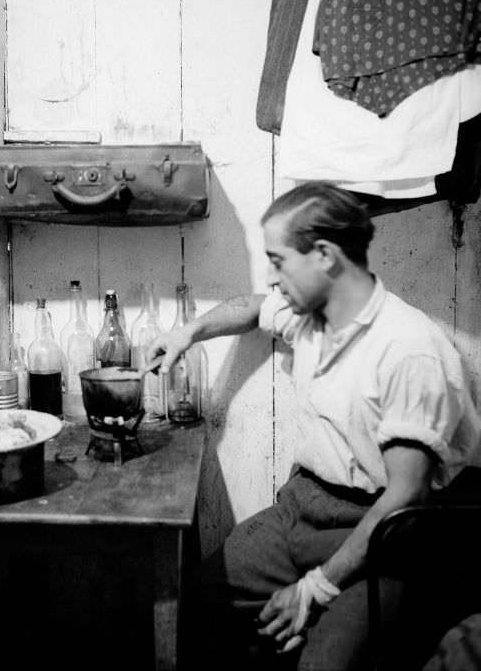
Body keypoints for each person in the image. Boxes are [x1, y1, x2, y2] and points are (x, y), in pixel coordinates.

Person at [146, 181, 481, 670]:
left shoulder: (409, 349)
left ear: (324, 255)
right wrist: (188, 332)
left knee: (324, 665)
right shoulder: (312, 315)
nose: (273, 276)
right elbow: (254, 305)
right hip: (301, 510)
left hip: (382, 541)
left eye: (279, 261)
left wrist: (316, 588)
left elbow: (405, 496)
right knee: (190, 606)